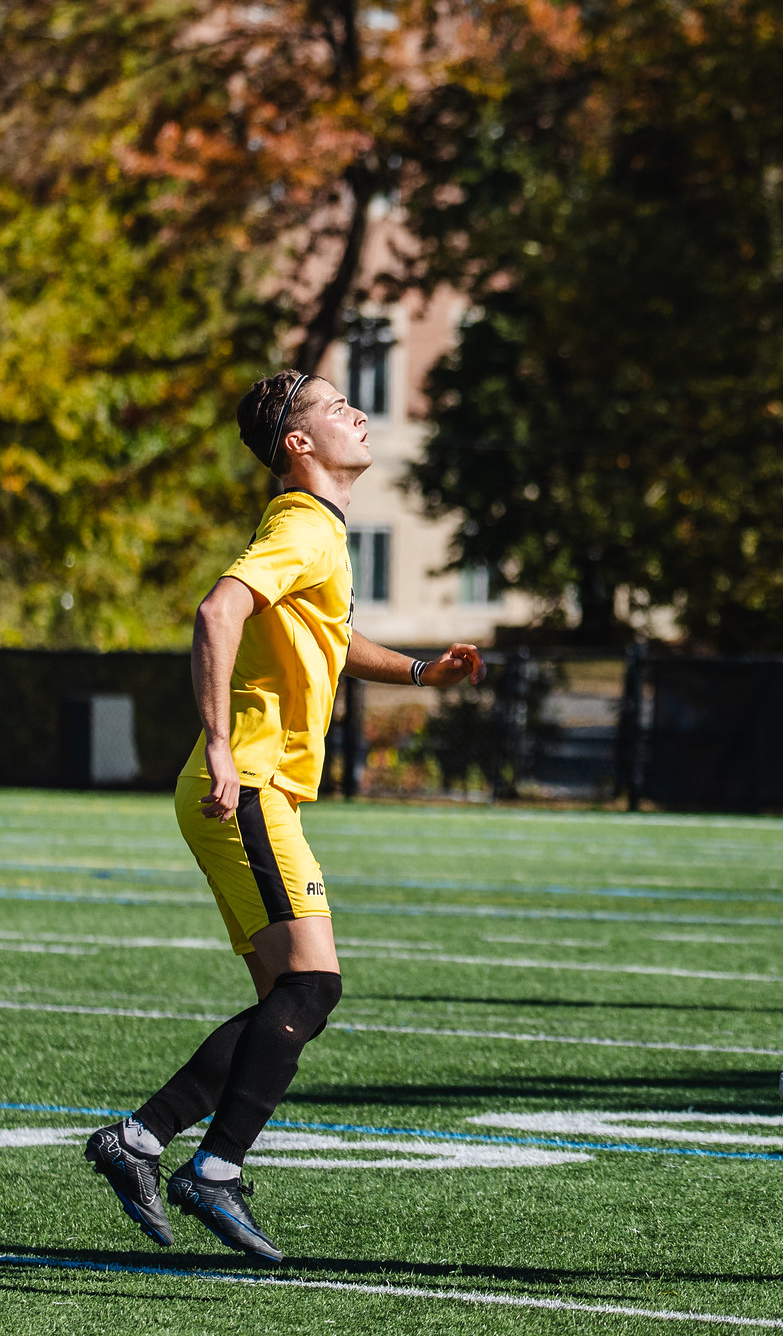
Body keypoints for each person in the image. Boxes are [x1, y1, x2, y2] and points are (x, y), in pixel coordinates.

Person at [84, 370, 486, 1261]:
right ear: (298, 445)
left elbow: (331, 637)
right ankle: (207, 1167)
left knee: (288, 998)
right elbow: (216, 610)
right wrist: (223, 743)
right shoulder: (304, 523)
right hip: (248, 784)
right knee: (313, 987)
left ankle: (144, 1143)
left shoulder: (316, 533)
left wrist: (421, 673)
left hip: (244, 788)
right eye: (337, 405)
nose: (359, 412)